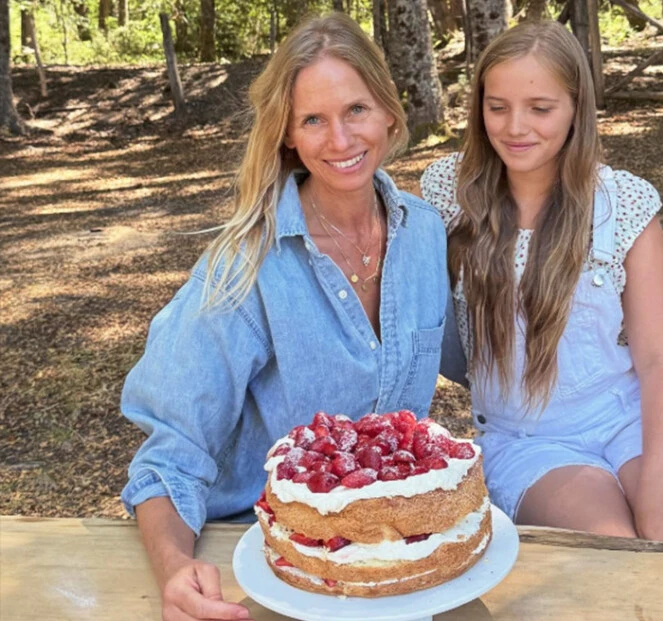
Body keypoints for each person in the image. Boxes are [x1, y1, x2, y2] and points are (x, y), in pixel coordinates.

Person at [120, 14, 448, 621]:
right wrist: (174, 568)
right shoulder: (244, 266)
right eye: (313, 120)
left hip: (397, 555)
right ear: (288, 136)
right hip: (266, 559)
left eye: (355, 110)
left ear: (388, 114)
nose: (341, 140)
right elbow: (171, 455)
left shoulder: (426, 235)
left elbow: (485, 361)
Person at [422, 20, 663, 546]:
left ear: (577, 107)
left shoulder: (623, 204)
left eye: (540, 108)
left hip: (630, 417)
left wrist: (660, 494)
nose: (515, 127)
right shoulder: (448, 194)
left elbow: (662, 359)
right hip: (530, 439)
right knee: (617, 553)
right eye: (497, 106)